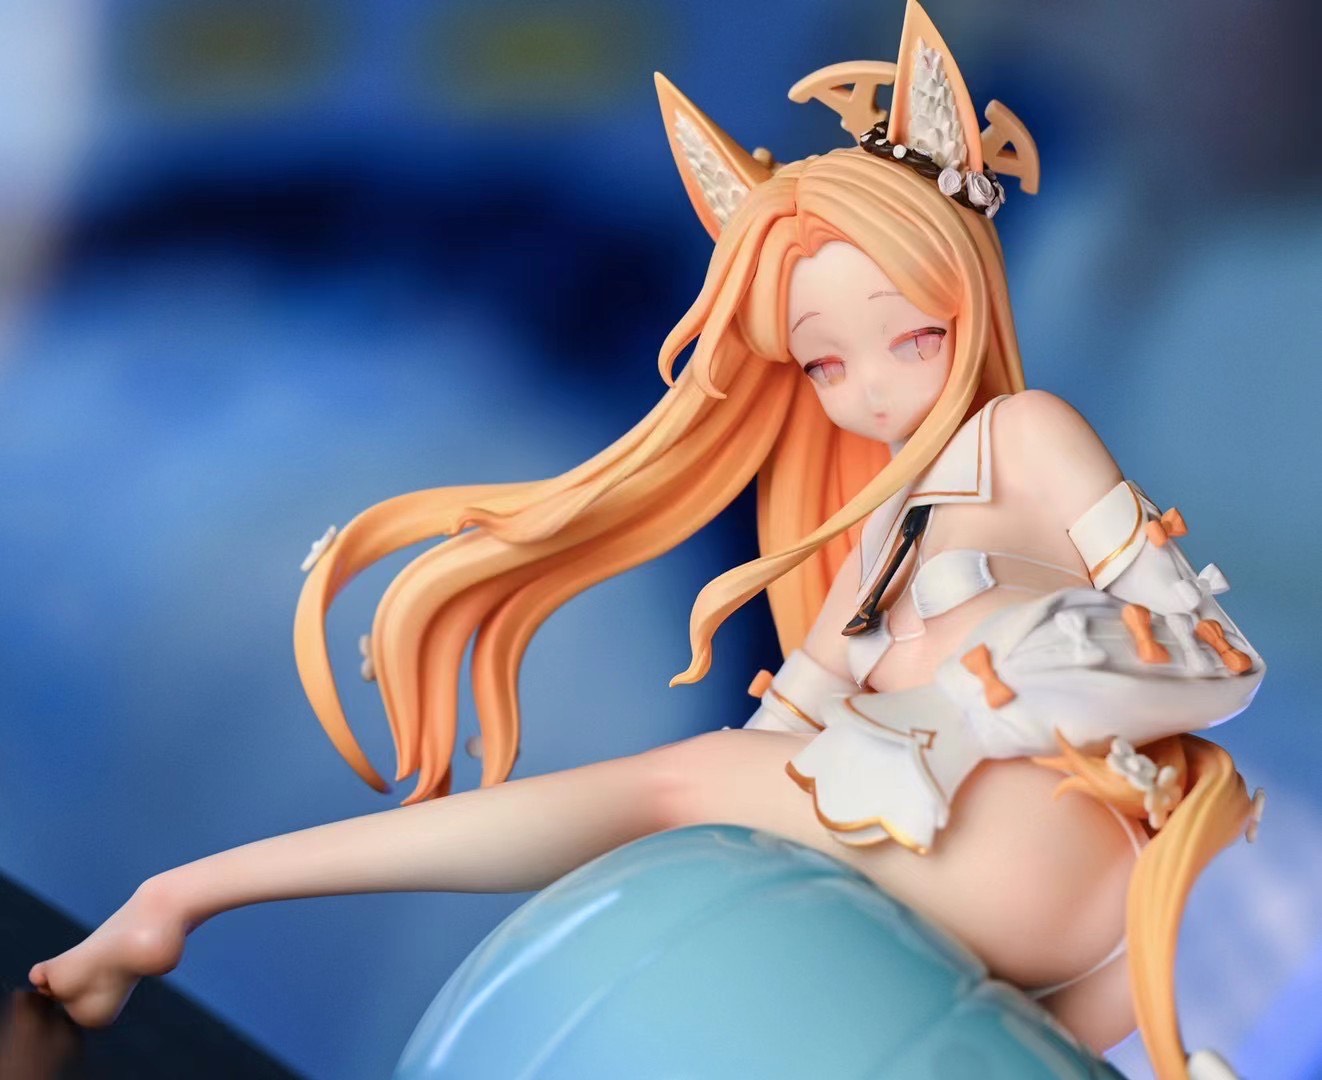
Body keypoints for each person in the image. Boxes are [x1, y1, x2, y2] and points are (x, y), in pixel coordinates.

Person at [28, 3, 1265, 1077]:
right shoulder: (874, 526)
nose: (872, 393)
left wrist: (1003, 696)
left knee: (662, 796)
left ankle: (193, 893)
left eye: (908, 338)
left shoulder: (1029, 433)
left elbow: (1217, 658)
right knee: (667, 803)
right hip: (957, 928)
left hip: (1048, 876)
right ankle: (195, 891)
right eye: (825, 364)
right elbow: (765, 745)